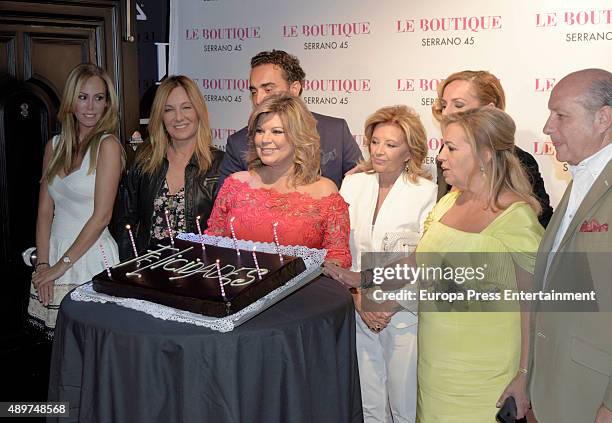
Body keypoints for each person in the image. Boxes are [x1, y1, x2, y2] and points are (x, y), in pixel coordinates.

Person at [325, 107, 543, 421]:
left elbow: (533, 306)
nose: (440, 157)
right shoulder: (448, 203)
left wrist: (524, 375)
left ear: (484, 155)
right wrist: (360, 278)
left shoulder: (516, 218)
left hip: (487, 374)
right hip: (434, 364)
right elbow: (415, 262)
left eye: (452, 148)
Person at [340, 105, 437, 422]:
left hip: (402, 314)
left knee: (404, 406)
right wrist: (360, 299)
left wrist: (387, 303)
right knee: (369, 405)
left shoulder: (427, 192)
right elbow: (341, 250)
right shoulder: (353, 185)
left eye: (391, 144)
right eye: (375, 141)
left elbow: (424, 256)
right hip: (358, 310)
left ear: (410, 151)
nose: (379, 151)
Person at [529, 69, 612, 423]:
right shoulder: (580, 177)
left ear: (603, 118)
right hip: (555, 386)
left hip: (592, 394)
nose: (548, 127)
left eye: (561, 115)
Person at [29, 63, 124, 336]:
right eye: (83, 97)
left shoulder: (108, 145)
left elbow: (102, 216)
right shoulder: (54, 147)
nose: (91, 106)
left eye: (99, 98)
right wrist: (44, 264)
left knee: (94, 346)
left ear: (107, 103)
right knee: (59, 346)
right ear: (71, 101)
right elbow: (45, 212)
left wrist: (59, 268)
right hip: (54, 254)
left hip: (90, 257)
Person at [206, 93, 351, 268]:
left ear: (298, 136)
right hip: (236, 290)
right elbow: (211, 243)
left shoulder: (324, 191)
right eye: (260, 131)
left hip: (300, 293)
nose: (265, 140)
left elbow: (338, 256)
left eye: (277, 131)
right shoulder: (235, 184)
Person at [217, 49, 362, 191]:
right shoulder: (238, 143)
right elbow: (225, 205)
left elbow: (361, 189)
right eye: (254, 91)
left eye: (268, 89)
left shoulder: (335, 131)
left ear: (294, 88)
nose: (258, 99)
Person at [115, 75, 224, 260]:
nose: (178, 117)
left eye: (186, 107)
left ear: (198, 111)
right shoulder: (145, 161)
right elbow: (126, 222)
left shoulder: (220, 165)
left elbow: (226, 235)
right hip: (148, 275)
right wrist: (130, 269)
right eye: (169, 110)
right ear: (160, 116)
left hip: (199, 276)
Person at [433, 70, 554, 227]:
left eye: (458, 104)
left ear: (490, 110)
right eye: (444, 105)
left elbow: (540, 224)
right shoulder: (445, 154)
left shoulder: (519, 161)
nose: (446, 112)